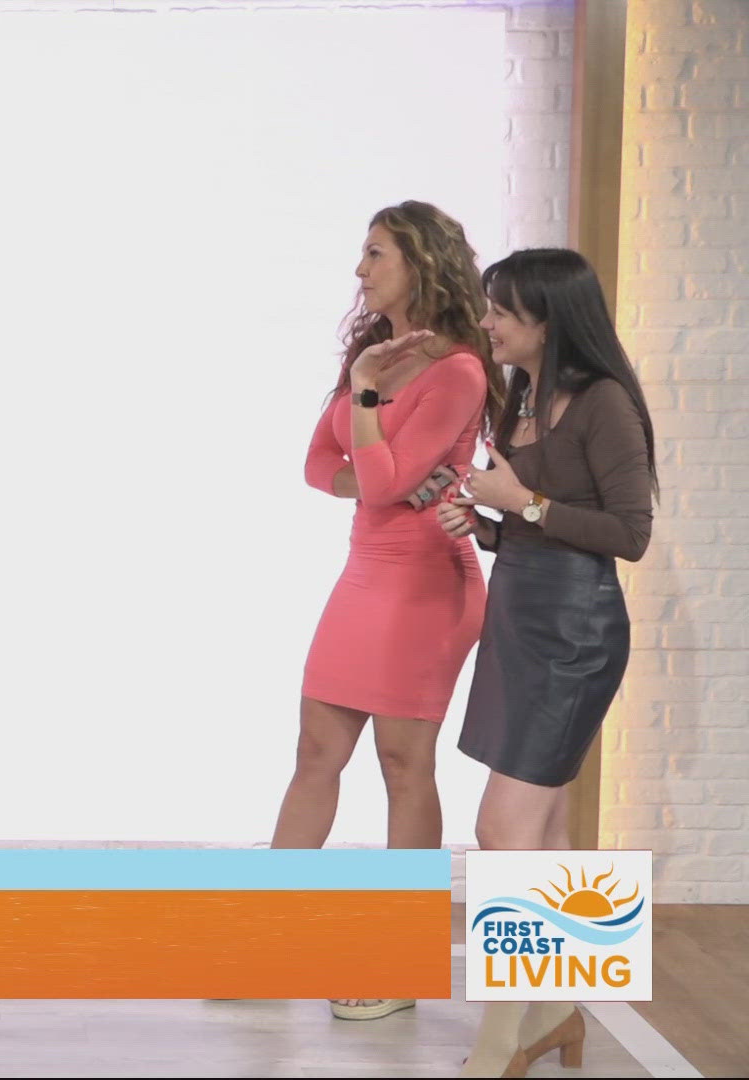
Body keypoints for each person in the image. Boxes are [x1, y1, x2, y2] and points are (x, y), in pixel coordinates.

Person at [274, 200, 505, 1021]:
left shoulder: (460, 370)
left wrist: (369, 417)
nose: (360, 270)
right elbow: (321, 465)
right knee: (314, 752)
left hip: (427, 586)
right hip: (365, 574)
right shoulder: (370, 354)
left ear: (419, 262)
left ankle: (400, 962)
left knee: (404, 765)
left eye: (375, 253)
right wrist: (373, 461)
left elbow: (383, 480)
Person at [438, 248, 656, 1077]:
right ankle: (560, 1013)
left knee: (502, 829)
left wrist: (522, 503)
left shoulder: (604, 403)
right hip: (519, 619)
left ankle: (502, 1039)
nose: (487, 322)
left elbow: (628, 535)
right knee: (545, 829)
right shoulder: (521, 397)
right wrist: (487, 523)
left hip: (574, 630)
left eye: (501, 310)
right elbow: (534, 524)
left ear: (549, 318)